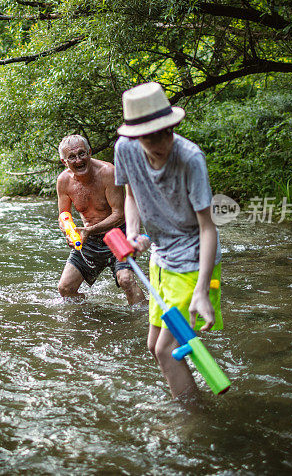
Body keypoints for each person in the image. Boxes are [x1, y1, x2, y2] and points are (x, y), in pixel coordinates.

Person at [113, 82, 223, 399]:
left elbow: (208, 228)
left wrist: (202, 291)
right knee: (153, 345)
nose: (161, 142)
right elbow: (131, 194)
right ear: (134, 136)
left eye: (166, 131)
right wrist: (133, 232)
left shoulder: (191, 159)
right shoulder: (125, 149)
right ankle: (189, 402)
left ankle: (191, 420)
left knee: (165, 349)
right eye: (150, 135)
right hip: (160, 255)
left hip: (193, 259)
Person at [56, 134, 145, 305]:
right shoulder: (63, 181)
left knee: (126, 280)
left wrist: (88, 231)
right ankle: (91, 319)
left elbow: (119, 215)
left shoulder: (107, 172)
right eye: (72, 157)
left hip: (118, 233)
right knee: (65, 288)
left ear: (89, 152)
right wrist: (69, 231)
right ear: (64, 161)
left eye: (82, 154)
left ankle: (141, 320)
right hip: (89, 239)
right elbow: (63, 215)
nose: (78, 160)